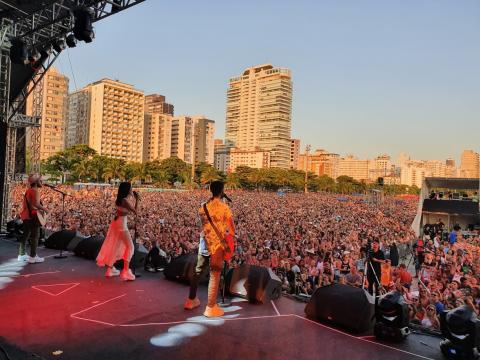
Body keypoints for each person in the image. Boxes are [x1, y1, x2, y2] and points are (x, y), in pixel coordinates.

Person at [185, 181, 234, 318]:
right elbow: (230, 229)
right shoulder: (225, 208)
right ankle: (211, 307)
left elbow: (203, 223)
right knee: (215, 273)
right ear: (222, 191)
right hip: (217, 245)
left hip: (204, 241)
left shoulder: (203, 207)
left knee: (199, 270)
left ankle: (191, 300)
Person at [96, 182, 137, 281]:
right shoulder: (125, 200)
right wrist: (136, 199)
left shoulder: (119, 199)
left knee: (116, 246)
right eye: (130, 188)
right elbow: (135, 211)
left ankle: (110, 270)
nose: (132, 189)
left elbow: (122, 211)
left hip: (116, 223)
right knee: (130, 247)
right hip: (121, 226)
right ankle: (126, 271)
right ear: (127, 189)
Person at [18, 174, 49, 264]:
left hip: (26, 216)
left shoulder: (29, 190)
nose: (42, 182)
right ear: (36, 182)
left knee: (26, 234)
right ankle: (33, 257)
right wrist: (46, 210)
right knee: (35, 236)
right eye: (40, 180)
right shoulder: (35, 191)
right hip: (32, 217)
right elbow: (36, 204)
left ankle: (22, 254)